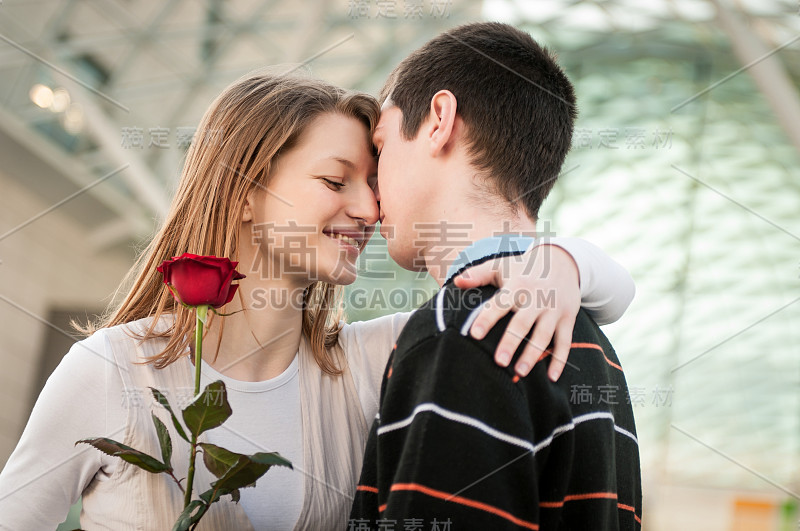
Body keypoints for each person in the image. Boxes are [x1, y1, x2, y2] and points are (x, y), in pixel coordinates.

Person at [0, 72, 633, 530]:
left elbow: (617, 292)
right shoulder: (111, 369)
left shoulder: (375, 358)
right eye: (336, 181)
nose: (368, 209)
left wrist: (560, 261)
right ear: (244, 191)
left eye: (373, 182)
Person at [350, 22, 642, 529]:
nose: (372, 191)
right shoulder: (593, 348)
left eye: (380, 147)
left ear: (439, 119)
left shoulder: (461, 332)